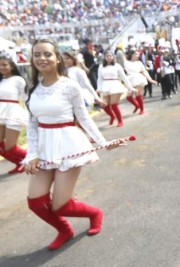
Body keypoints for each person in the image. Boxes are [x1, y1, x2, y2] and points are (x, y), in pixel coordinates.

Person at [22, 39, 124, 251]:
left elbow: (84, 118)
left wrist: (103, 142)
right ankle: (64, 230)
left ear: (57, 57)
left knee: (60, 205)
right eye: (37, 54)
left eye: (47, 54)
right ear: (32, 59)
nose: (42, 58)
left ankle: (94, 213)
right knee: (35, 202)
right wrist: (31, 154)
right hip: (43, 148)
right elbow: (32, 124)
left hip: (69, 146)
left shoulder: (69, 86)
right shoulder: (32, 88)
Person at [0, 52, 28, 173]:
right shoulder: (1, 80)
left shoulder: (18, 80)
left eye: (4, 65)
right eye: (0, 65)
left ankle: (36, 160)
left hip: (13, 114)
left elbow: (26, 98)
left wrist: (31, 115)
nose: (2, 67)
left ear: (11, 66)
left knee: (10, 147)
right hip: (1, 113)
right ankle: (19, 163)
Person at [97, 50, 134, 127]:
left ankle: (120, 120)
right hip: (105, 85)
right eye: (107, 56)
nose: (109, 57)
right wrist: (99, 88)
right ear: (104, 57)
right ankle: (112, 116)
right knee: (105, 106)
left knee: (114, 105)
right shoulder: (101, 67)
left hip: (115, 85)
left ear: (113, 57)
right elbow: (99, 78)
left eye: (110, 56)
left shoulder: (117, 66)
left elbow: (124, 77)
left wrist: (130, 87)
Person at [124, 50, 158, 114]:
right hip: (130, 79)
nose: (138, 55)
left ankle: (142, 109)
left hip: (138, 79)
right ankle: (137, 106)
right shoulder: (126, 62)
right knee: (128, 96)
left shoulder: (139, 63)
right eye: (136, 54)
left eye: (138, 54)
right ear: (132, 55)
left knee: (138, 94)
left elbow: (144, 71)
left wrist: (150, 80)